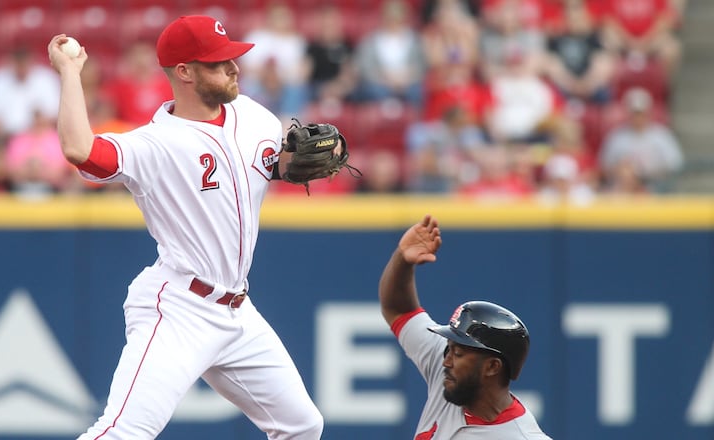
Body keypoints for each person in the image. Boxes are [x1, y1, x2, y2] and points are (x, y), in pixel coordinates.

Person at [46, 14, 323, 439]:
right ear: (184, 72)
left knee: (302, 426)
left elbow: (269, 166)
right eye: (218, 63)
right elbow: (79, 148)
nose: (233, 68)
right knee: (124, 432)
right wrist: (70, 72)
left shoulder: (255, 117)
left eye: (231, 58)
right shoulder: (155, 144)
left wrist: (301, 161)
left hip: (238, 313)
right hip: (179, 308)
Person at [378, 215, 552, 439]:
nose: (446, 360)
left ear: (492, 367)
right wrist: (403, 260)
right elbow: (399, 310)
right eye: (449, 348)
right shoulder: (449, 373)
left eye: (458, 353)